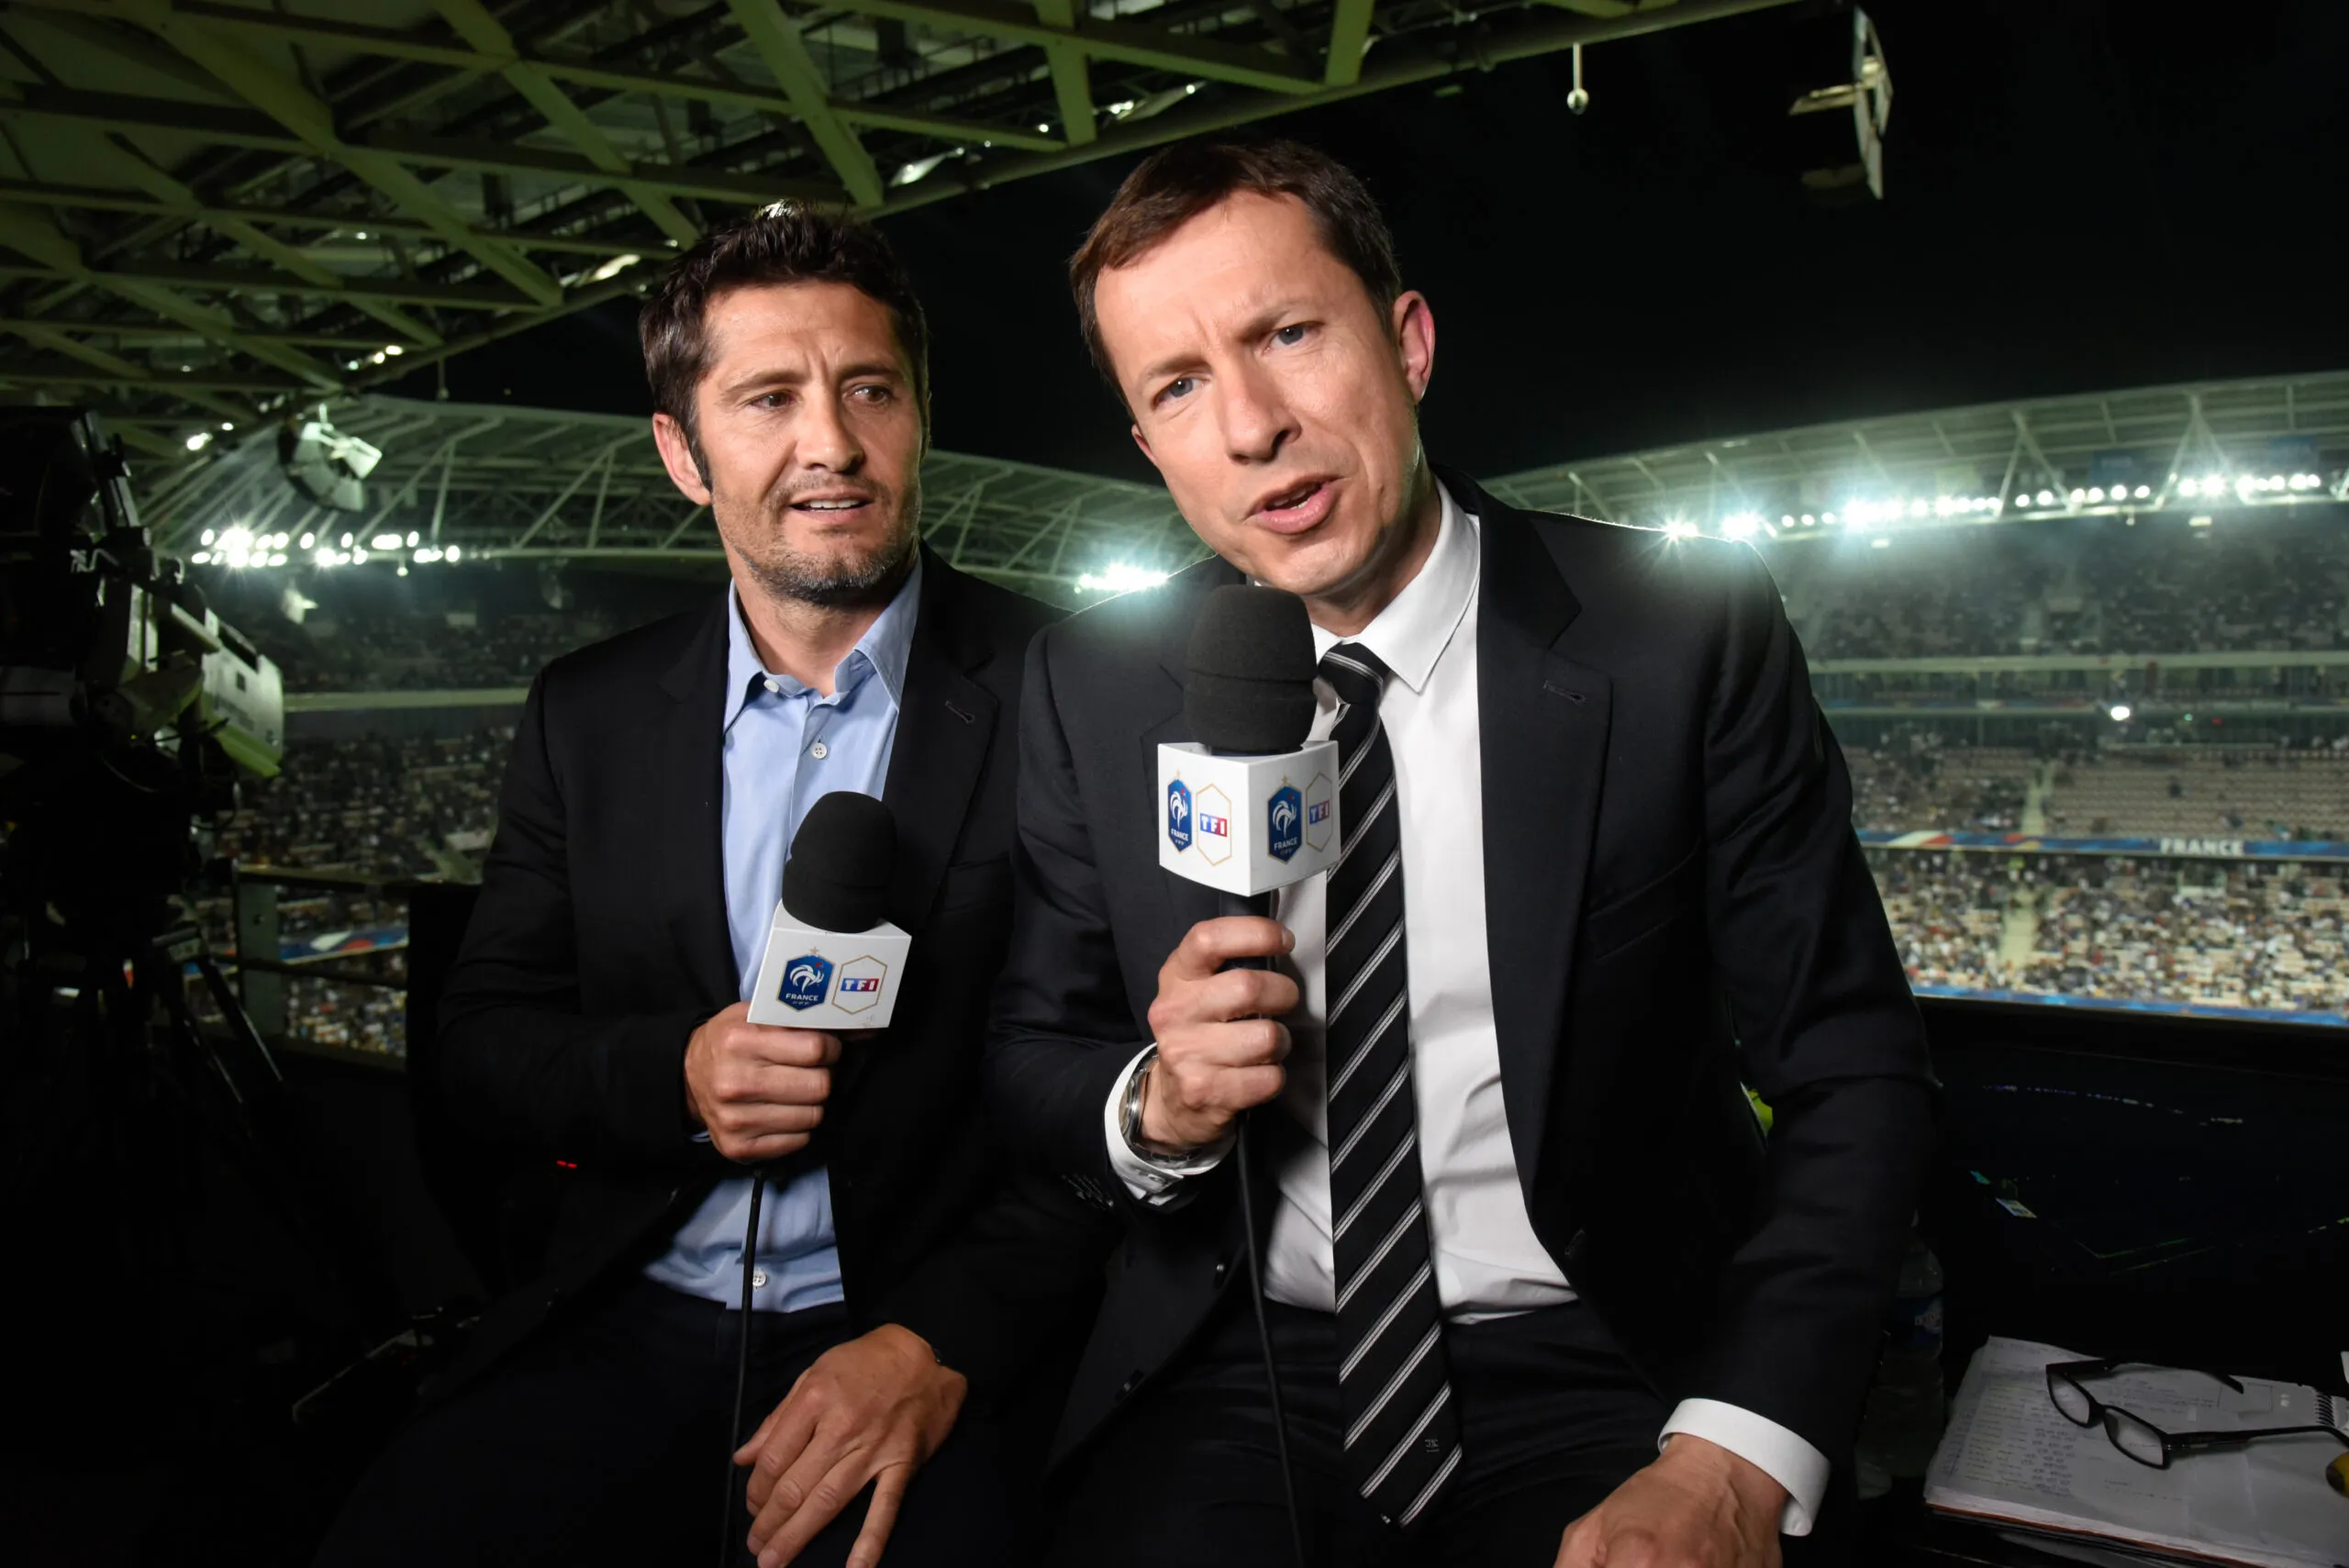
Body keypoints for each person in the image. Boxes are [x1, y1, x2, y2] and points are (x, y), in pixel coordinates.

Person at [987, 140, 1936, 1568]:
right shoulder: (1092, 683)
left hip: (1609, 1359)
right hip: (1243, 1358)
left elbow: (1848, 1062)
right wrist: (1155, 1103)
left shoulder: (1680, 636)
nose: (1250, 426)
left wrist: (1737, 1450)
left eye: (1287, 335)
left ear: (1409, 341)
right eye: (1177, 386)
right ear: (1149, 447)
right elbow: (1031, 1052)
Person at [317, 204, 1107, 1568]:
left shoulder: (1065, 689)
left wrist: (941, 1339)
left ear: (918, 411)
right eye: (768, 399)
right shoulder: (588, 713)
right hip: (625, 1310)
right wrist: (674, 1075)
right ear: (682, 453)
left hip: (911, 1327)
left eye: (871, 390)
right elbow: (484, 1042)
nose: (832, 446)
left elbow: (1114, 1100)